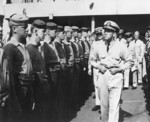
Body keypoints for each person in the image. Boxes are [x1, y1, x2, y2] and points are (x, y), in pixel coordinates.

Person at [90, 20, 133, 122]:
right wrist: (98, 66)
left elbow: (130, 61)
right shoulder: (98, 45)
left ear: (114, 34)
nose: (104, 32)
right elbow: (92, 60)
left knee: (114, 105)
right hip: (102, 76)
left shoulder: (121, 46)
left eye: (108, 31)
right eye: (104, 30)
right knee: (104, 106)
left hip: (116, 77)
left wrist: (120, 68)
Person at [3, 13, 34, 122]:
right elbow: (9, 78)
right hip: (18, 94)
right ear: (14, 28)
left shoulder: (22, 47)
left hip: (26, 92)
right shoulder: (10, 48)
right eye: (24, 27)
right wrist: (14, 101)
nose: (27, 30)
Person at [26, 19, 50, 122]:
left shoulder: (37, 48)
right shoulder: (28, 49)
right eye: (43, 31)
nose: (45, 33)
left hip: (42, 90)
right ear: (35, 31)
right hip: (35, 92)